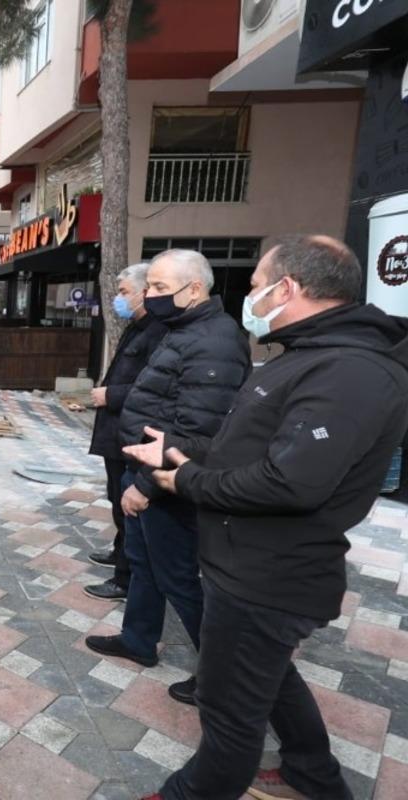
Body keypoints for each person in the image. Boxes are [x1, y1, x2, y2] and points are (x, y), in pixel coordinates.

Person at [126, 236, 408, 800]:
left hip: (269, 574)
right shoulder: (309, 354)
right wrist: (181, 452)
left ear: (287, 288)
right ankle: (312, 774)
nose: (249, 297)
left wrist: (186, 480)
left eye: (255, 285)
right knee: (270, 678)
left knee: (228, 714)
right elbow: (250, 446)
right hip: (250, 561)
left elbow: (290, 481)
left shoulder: (350, 370)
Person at [84, 249, 250, 707]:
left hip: (168, 482)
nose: (150, 295)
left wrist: (145, 485)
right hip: (144, 467)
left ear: (193, 289)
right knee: (144, 563)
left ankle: (222, 677)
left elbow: (196, 433)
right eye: (150, 286)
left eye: (159, 287)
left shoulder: (214, 342)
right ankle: (138, 639)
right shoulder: (182, 329)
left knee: (179, 578)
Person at [85, 262, 168, 602]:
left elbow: (156, 388)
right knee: (116, 498)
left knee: (128, 504)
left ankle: (125, 578)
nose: (118, 299)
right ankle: (120, 554)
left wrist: (112, 395)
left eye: (123, 292)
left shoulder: (159, 332)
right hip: (115, 431)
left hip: (133, 434)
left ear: (144, 292)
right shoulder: (136, 326)